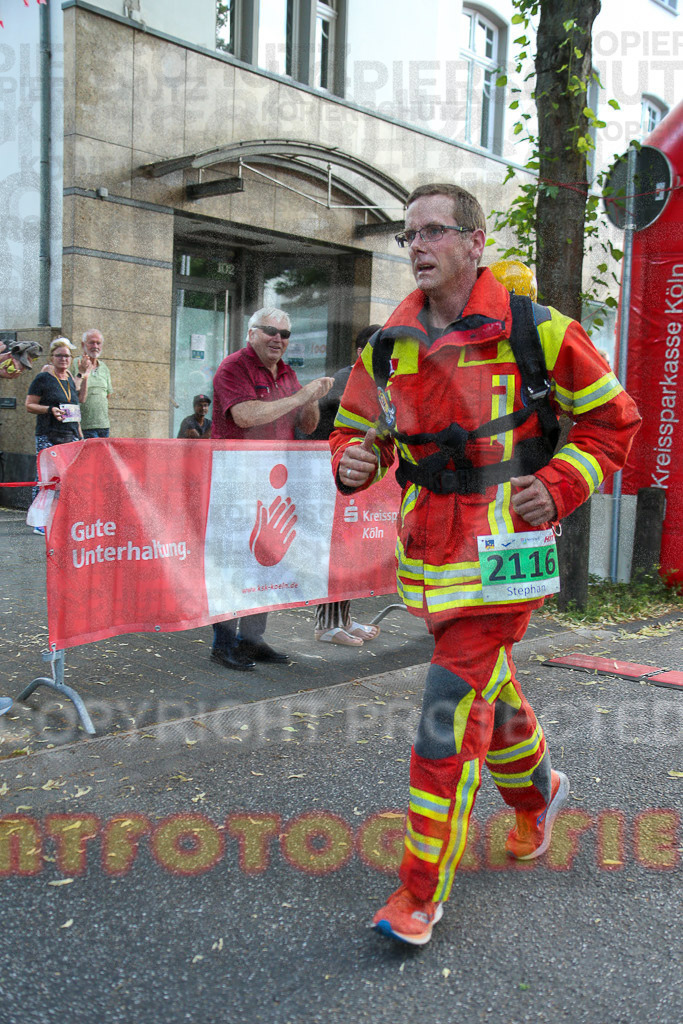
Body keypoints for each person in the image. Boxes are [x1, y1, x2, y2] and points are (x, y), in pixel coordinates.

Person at [330, 182, 641, 946]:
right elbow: (353, 432)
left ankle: (417, 896)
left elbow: (614, 421)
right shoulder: (386, 345)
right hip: (430, 563)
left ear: (475, 243)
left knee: (444, 717)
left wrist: (561, 484)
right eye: (409, 235)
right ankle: (539, 795)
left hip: (504, 558)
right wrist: (352, 462)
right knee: (489, 695)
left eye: (434, 231)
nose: (418, 246)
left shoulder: (539, 329)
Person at [210, 306, 334, 671]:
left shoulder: (287, 372)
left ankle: (252, 639)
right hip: (235, 478)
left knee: (266, 557)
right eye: (270, 331)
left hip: (273, 479)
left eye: (285, 334)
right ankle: (222, 643)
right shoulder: (234, 367)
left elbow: (307, 425)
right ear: (251, 334)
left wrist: (311, 398)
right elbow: (244, 416)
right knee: (234, 559)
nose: (278, 339)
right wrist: (298, 397)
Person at [312, 324, 383, 646]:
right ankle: (327, 624)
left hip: (352, 477)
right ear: (360, 352)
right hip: (332, 474)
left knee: (349, 547)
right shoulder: (347, 379)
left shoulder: (378, 381)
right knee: (335, 548)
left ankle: (343, 618)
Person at [26, 338, 85, 534]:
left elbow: (75, 405)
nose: (63, 359)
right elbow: (29, 405)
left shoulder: (69, 378)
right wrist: (49, 410)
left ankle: (59, 517)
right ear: (52, 357)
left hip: (70, 434)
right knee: (46, 478)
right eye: (59, 355)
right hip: (48, 433)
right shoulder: (43, 378)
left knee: (68, 478)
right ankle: (39, 521)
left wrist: (80, 435)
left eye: (67, 356)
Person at [77, 329, 113, 438]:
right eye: (91, 343)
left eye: (98, 343)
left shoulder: (104, 367)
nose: (95, 346)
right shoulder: (76, 364)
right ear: (83, 345)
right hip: (83, 427)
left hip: (103, 426)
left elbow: (108, 394)